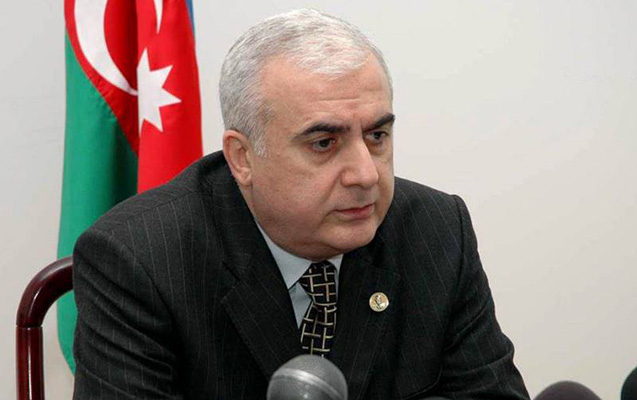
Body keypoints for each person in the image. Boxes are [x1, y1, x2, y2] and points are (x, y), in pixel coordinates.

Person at [72, 9, 529, 400]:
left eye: (377, 135)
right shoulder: (138, 259)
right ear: (242, 158)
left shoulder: (437, 229)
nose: (366, 175)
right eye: (324, 143)